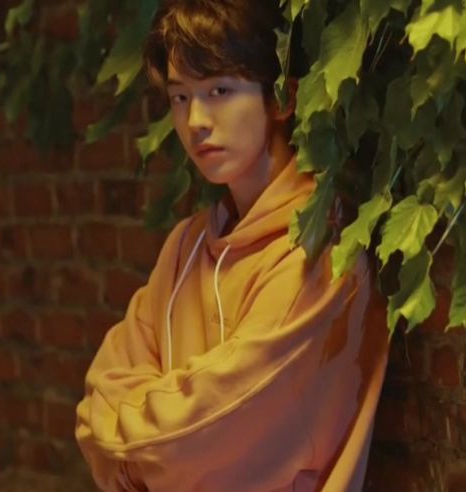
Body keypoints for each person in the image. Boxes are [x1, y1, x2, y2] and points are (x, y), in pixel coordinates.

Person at [74, 1, 391, 490]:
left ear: (282, 98)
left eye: (219, 91)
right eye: (180, 97)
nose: (196, 120)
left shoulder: (318, 250)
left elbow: (205, 436)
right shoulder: (186, 247)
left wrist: (129, 445)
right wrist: (152, 445)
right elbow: (96, 400)